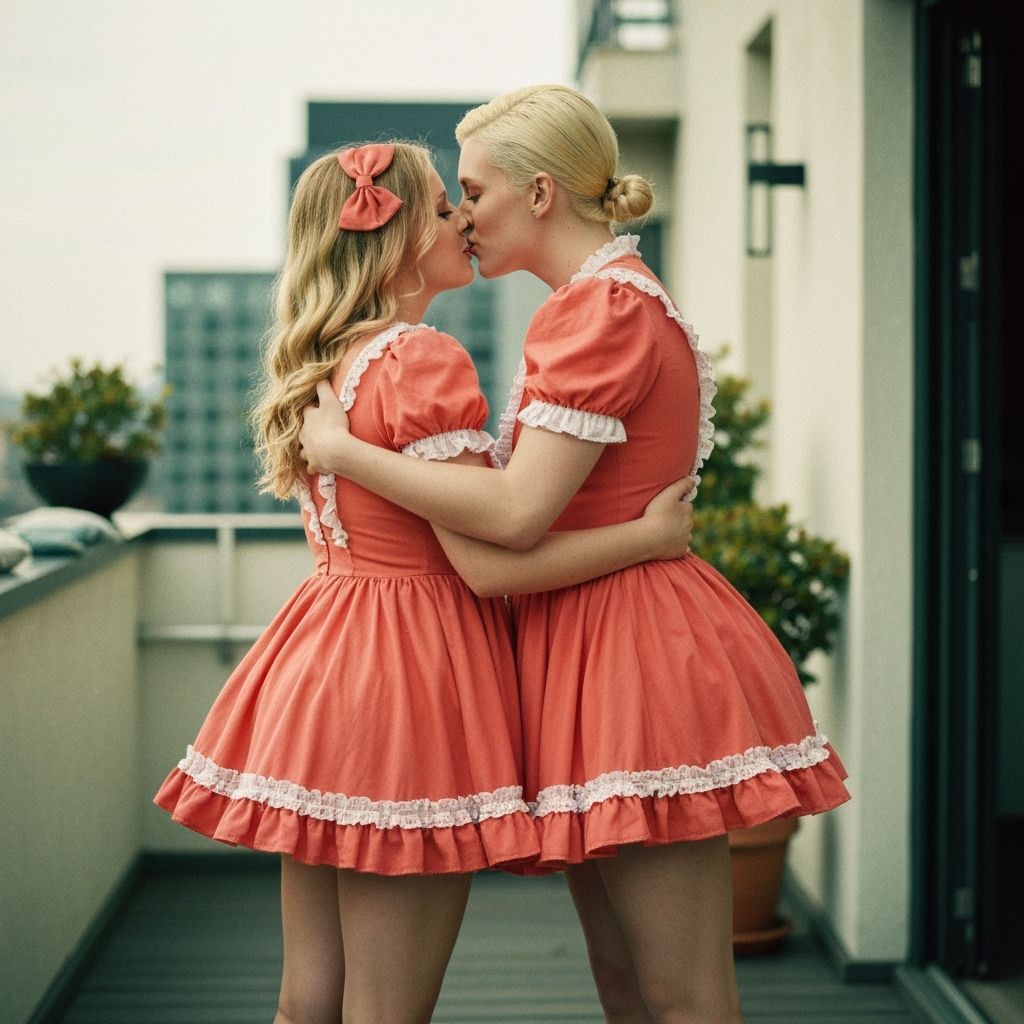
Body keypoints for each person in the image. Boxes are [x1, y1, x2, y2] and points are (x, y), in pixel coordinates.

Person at [297, 86, 851, 1024]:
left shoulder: (597, 312)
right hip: (592, 645)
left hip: (628, 656)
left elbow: (513, 518)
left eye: (472, 189)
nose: (461, 213)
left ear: (542, 192)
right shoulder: (592, 305)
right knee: (634, 985)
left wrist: (348, 453)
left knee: (676, 992)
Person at [154, 139, 694, 1024]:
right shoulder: (420, 360)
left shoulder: (326, 361)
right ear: (399, 236)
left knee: (307, 1003)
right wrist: (647, 538)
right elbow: (489, 553)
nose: (464, 221)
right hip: (404, 685)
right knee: (385, 1010)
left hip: (321, 663)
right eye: (446, 205)